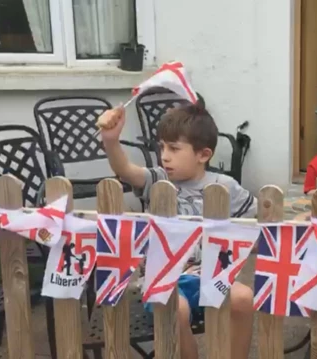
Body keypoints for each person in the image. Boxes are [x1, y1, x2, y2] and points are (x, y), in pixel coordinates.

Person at [97, 102, 257, 359]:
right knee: (176, 308)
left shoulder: (226, 186)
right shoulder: (157, 181)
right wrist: (111, 142)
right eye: (162, 147)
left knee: (243, 297)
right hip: (164, 280)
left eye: (174, 148)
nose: (165, 156)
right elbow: (125, 170)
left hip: (210, 276)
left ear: (203, 155)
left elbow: (255, 224)